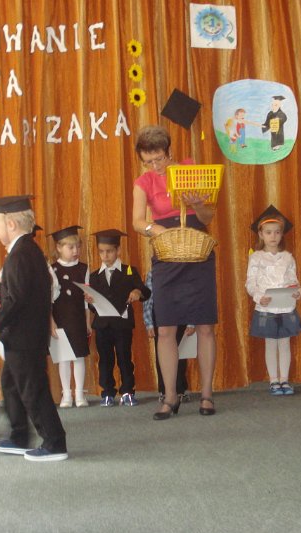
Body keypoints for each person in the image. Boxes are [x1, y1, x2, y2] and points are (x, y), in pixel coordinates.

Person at [132, 125, 218, 419]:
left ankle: (207, 394)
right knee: (165, 328)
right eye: (148, 161)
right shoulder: (143, 182)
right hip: (166, 252)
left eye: (159, 159)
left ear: (169, 152)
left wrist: (198, 204)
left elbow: (207, 217)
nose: (155, 166)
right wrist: (156, 230)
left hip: (197, 248)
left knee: (205, 326)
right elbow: (137, 221)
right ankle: (170, 397)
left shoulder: (190, 170)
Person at [0, 196, 68, 462]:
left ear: (11, 224)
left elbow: (16, 300)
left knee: (33, 389)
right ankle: (19, 436)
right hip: (25, 335)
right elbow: (24, 290)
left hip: (25, 336)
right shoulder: (28, 251)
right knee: (12, 384)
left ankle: (54, 442)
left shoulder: (19, 255)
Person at [87, 229, 150, 407]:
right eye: (101, 251)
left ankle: (128, 391)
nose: (105, 255)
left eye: (109, 251)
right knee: (105, 360)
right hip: (102, 325)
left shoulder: (129, 271)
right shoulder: (94, 276)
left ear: (118, 250)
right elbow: (92, 306)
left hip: (122, 324)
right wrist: (90, 302)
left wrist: (137, 292)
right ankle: (107, 392)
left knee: (124, 357)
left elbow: (145, 291)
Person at [246, 206, 301, 396]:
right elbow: (250, 283)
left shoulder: (287, 257)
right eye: (269, 232)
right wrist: (259, 297)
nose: (273, 236)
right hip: (266, 307)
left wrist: (297, 292)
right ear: (261, 234)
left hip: (285, 306)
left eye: (277, 232)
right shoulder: (256, 258)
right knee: (271, 343)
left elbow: (294, 281)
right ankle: (273, 381)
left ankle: (284, 380)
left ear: (282, 234)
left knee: (284, 343)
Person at [49, 226, 91, 408]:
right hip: (60, 318)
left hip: (78, 318)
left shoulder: (83, 268)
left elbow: (86, 301)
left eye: (78, 247)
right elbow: (49, 300)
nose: (75, 251)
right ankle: (66, 394)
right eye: (70, 247)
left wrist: (88, 322)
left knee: (79, 356)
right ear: (59, 248)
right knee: (64, 358)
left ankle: (79, 393)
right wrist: (51, 323)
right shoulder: (53, 269)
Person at [142, 270, 193, 403]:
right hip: (160, 315)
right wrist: (149, 323)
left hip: (181, 314)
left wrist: (191, 321)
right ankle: (164, 391)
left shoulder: (183, 270)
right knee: (162, 354)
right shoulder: (154, 272)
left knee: (181, 353)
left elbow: (190, 296)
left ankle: (180, 389)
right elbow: (148, 299)